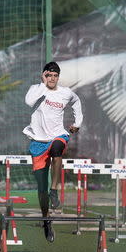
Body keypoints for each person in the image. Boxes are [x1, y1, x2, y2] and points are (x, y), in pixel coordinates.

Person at [23, 61, 83, 242]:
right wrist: (42, 85)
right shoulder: (36, 89)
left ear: (58, 77)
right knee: (41, 190)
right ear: (44, 75)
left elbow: (77, 102)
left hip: (57, 136)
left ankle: (55, 190)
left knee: (58, 148)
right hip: (38, 141)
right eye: (49, 75)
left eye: (55, 76)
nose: (52, 79)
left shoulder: (65, 93)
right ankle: (46, 221)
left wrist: (77, 123)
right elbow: (28, 102)